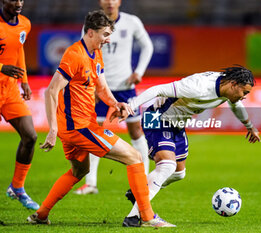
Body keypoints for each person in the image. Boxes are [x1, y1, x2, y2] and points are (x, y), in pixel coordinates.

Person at [26, 10, 174, 227]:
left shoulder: (96, 53)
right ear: (90, 32)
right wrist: (52, 130)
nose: (108, 39)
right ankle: (147, 217)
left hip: (81, 125)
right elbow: (51, 91)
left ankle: (41, 215)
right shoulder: (74, 55)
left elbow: (102, 87)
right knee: (134, 157)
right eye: (105, 34)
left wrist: (115, 103)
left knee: (80, 170)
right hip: (79, 127)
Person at [120, 65, 261, 227]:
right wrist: (130, 107)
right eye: (245, 92)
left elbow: (236, 105)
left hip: (177, 123)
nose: (244, 97)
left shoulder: (227, 88)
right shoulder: (198, 86)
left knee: (179, 173)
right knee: (167, 165)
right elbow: (158, 89)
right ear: (234, 84)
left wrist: (249, 125)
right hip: (157, 117)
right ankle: (135, 217)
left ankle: (140, 191)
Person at [74, 0, 153, 195]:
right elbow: (83, 53)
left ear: (119, 2)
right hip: (99, 88)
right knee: (93, 132)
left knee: (136, 131)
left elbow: (147, 46)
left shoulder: (131, 22)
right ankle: (91, 183)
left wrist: (139, 72)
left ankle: (143, 178)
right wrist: (90, 82)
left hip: (125, 86)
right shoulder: (91, 24)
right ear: (101, 2)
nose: (110, 2)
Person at [0, 0, 39, 210]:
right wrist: (1, 67)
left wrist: (23, 80)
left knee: (30, 136)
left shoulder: (25, 23)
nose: (18, 3)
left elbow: (19, 48)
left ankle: (17, 187)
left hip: (10, 90)